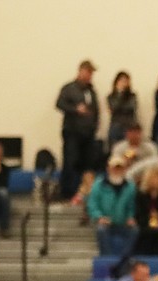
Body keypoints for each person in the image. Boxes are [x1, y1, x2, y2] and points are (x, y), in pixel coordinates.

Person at [55, 59, 100, 201]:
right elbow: (59, 104)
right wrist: (75, 109)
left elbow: (95, 110)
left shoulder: (91, 91)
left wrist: (94, 125)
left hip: (88, 134)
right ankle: (67, 192)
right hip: (72, 132)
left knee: (86, 163)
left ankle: (83, 192)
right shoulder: (69, 88)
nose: (89, 76)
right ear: (80, 71)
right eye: (88, 72)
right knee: (71, 161)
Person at [88, 156, 138, 256]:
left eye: (120, 168)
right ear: (108, 169)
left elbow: (132, 206)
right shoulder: (99, 185)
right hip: (106, 223)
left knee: (134, 230)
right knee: (101, 230)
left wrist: (130, 217)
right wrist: (99, 217)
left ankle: (125, 258)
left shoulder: (130, 187)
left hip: (123, 223)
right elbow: (92, 204)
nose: (117, 170)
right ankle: (107, 257)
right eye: (115, 168)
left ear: (125, 170)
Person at [106, 71, 138, 148]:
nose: (123, 84)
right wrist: (119, 94)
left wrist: (120, 107)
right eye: (121, 81)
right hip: (115, 126)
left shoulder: (132, 96)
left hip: (128, 127)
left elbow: (131, 107)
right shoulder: (111, 96)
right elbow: (113, 107)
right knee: (114, 150)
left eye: (126, 81)